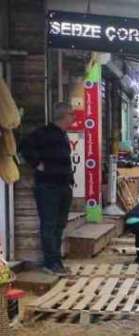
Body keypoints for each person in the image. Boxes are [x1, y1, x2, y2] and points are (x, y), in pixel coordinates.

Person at [20, 102, 75, 274]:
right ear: (63, 116)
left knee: (59, 225)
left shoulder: (63, 135)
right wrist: (37, 164)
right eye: (71, 114)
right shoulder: (43, 133)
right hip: (48, 186)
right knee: (49, 225)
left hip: (63, 185)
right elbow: (24, 146)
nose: (73, 117)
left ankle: (56, 261)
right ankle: (50, 263)